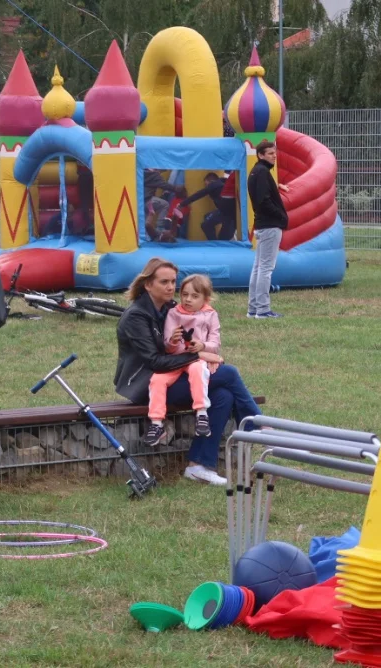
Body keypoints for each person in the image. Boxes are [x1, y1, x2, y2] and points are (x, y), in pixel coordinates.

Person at [114, 258, 263, 486]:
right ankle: (256, 425)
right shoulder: (136, 316)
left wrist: (199, 354)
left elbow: (188, 342)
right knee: (229, 374)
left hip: (177, 374)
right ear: (147, 285)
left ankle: (198, 466)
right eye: (164, 282)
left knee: (223, 395)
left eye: (173, 281)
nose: (170, 287)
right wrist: (199, 357)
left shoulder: (169, 308)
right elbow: (155, 362)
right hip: (149, 385)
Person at [143, 274, 221, 447]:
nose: (188, 299)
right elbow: (168, 347)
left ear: (205, 299)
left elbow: (215, 345)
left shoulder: (210, 315)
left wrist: (202, 345)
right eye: (184, 294)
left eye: (194, 296)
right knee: (157, 379)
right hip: (175, 360)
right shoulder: (174, 313)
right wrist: (172, 341)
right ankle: (156, 423)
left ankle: (201, 413)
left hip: (195, 359)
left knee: (197, 369)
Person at [247, 140, 289, 319]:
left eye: (275, 153)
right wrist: (281, 216)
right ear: (261, 155)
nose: (274, 156)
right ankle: (263, 309)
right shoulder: (263, 173)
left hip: (262, 225)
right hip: (270, 225)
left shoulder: (256, 172)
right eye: (270, 153)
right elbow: (264, 200)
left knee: (258, 267)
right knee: (266, 268)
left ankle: (253, 308)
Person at [177, 172, 239, 241]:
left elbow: (198, 194)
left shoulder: (213, 185)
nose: (206, 187)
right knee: (207, 218)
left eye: (206, 184)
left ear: (210, 181)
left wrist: (182, 204)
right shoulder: (223, 182)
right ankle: (216, 243)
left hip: (228, 215)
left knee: (208, 226)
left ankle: (215, 244)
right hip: (230, 213)